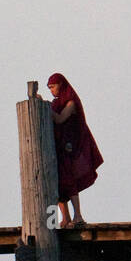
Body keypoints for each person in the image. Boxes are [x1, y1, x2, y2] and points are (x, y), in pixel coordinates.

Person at [46, 73, 104, 227]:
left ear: (61, 85)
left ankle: (78, 215)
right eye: (49, 88)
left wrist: (44, 107)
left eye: (53, 87)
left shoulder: (71, 103)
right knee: (55, 183)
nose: (51, 91)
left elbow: (59, 119)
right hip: (56, 149)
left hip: (68, 149)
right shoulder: (56, 103)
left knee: (69, 181)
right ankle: (65, 218)